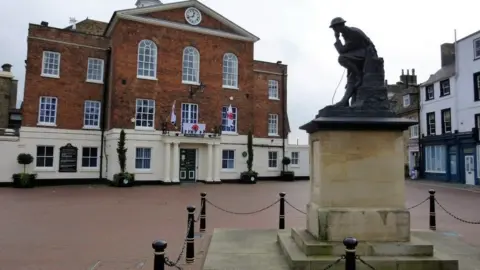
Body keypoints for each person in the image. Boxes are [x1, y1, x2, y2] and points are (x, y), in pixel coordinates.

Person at [330, 17, 378, 107]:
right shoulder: (345, 34)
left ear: (340, 26)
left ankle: (359, 75)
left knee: (342, 59)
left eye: (334, 28)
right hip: (357, 55)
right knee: (351, 78)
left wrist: (337, 39)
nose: (334, 30)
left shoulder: (353, 32)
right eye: (333, 28)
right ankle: (345, 100)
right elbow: (344, 50)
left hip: (365, 54)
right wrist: (337, 38)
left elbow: (343, 51)